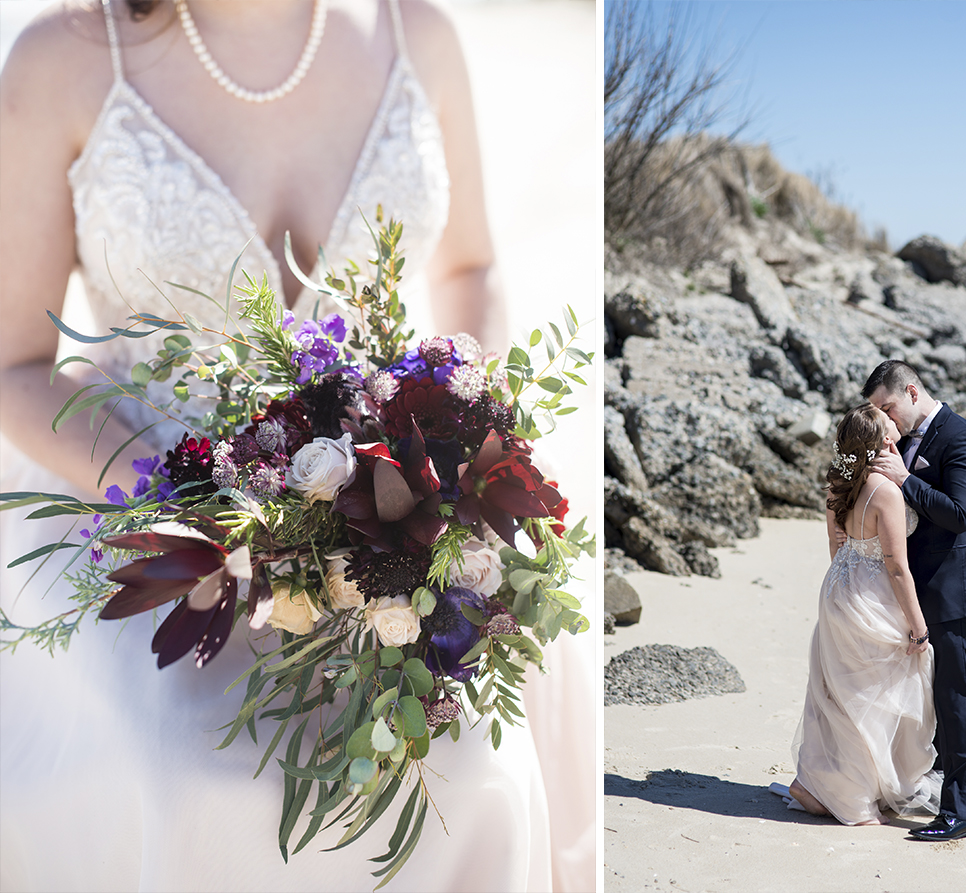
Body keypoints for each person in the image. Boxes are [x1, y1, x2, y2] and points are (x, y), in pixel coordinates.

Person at [0, 1, 589, 889]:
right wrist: (188, 503)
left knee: (475, 763)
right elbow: (14, 363)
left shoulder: (415, 32)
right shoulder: (68, 55)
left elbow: (469, 267)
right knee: (189, 770)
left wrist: (465, 451)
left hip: (393, 514)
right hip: (151, 514)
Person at [864, 359, 966, 842]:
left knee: (959, 702)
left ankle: (963, 813)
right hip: (918, 594)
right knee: (928, 705)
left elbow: (958, 513)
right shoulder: (903, 442)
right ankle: (933, 794)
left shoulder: (963, 438)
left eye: (888, 407)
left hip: (959, 592)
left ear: (911, 392)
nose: (886, 419)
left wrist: (905, 479)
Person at [772, 403, 941, 826]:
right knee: (873, 696)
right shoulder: (886, 491)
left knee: (839, 690)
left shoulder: (839, 484)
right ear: (885, 441)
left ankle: (819, 782)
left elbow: (837, 547)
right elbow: (897, 567)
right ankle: (855, 798)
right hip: (872, 594)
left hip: (837, 589)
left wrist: (844, 586)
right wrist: (919, 628)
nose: (896, 425)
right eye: (890, 425)